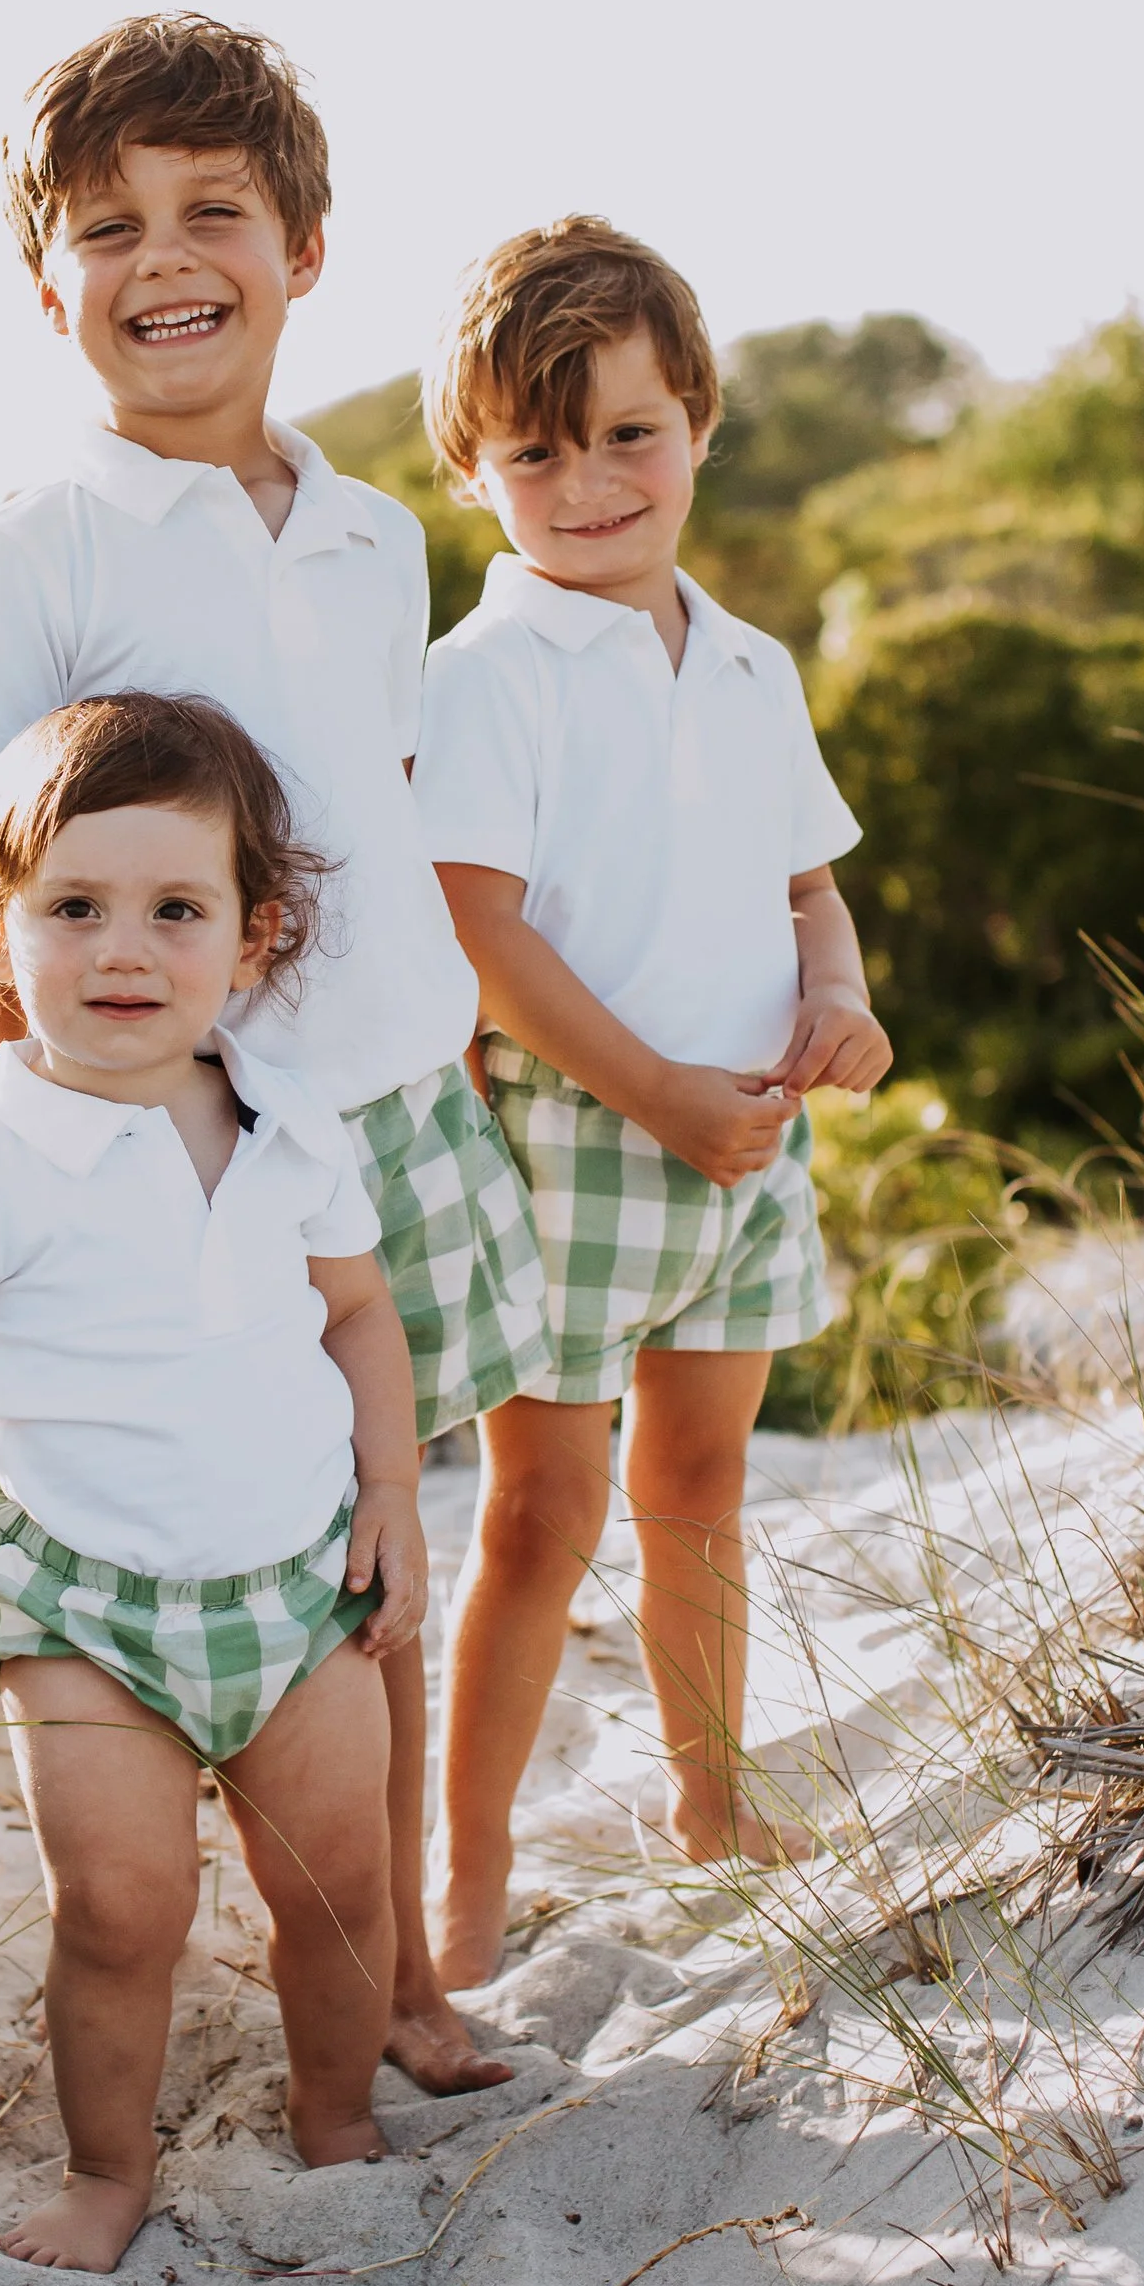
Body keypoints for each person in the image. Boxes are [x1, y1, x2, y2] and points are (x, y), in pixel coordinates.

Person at [0, 11, 546, 2093]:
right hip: (181, 1151)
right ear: (47, 283)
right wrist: (1, 1167)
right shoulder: (39, 541)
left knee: (380, 1535)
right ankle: (185, 1935)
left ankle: (395, 1975)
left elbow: (384, 804)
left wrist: (445, 1053)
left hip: (397, 1106)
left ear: (302, 248)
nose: (162, 256)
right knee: (215, 1526)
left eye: (211, 212)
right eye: (108, 226)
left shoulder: (369, 532)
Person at [0, 693, 425, 2275]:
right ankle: (104, 2174)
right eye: (73, 907)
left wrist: (391, 1493)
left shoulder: (290, 1122)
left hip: (295, 1584)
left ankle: (336, 2119)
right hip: (82, 1604)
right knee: (122, 1911)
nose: (123, 948)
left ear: (254, 935)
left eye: (174, 908)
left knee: (339, 1889)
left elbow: (357, 1311)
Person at [410, 217, 893, 1986]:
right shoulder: (489, 674)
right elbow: (478, 928)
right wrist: (662, 1097)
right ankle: (464, 1879)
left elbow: (807, 888)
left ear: (698, 417)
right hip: (576, 1145)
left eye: (627, 431)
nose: (591, 480)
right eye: (536, 448)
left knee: (701, 1483)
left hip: (753, 1135)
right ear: (476, 471)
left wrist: (835, 1005)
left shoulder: (754, 664)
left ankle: (711, 1796)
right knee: (540, 1512)